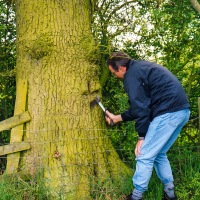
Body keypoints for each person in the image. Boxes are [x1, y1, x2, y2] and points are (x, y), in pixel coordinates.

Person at [105, 51, 190, 200]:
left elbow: (141, 108)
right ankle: (170, 194)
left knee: (143, 154)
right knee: (159, 154)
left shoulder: (131, 76)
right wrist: (117, 118)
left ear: (121, 68)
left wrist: (141, 136)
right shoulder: (141, 68)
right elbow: (142, 105)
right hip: (181, 112)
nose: (115, 76)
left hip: (168, 112)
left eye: (113, 73)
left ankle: (136, 196)